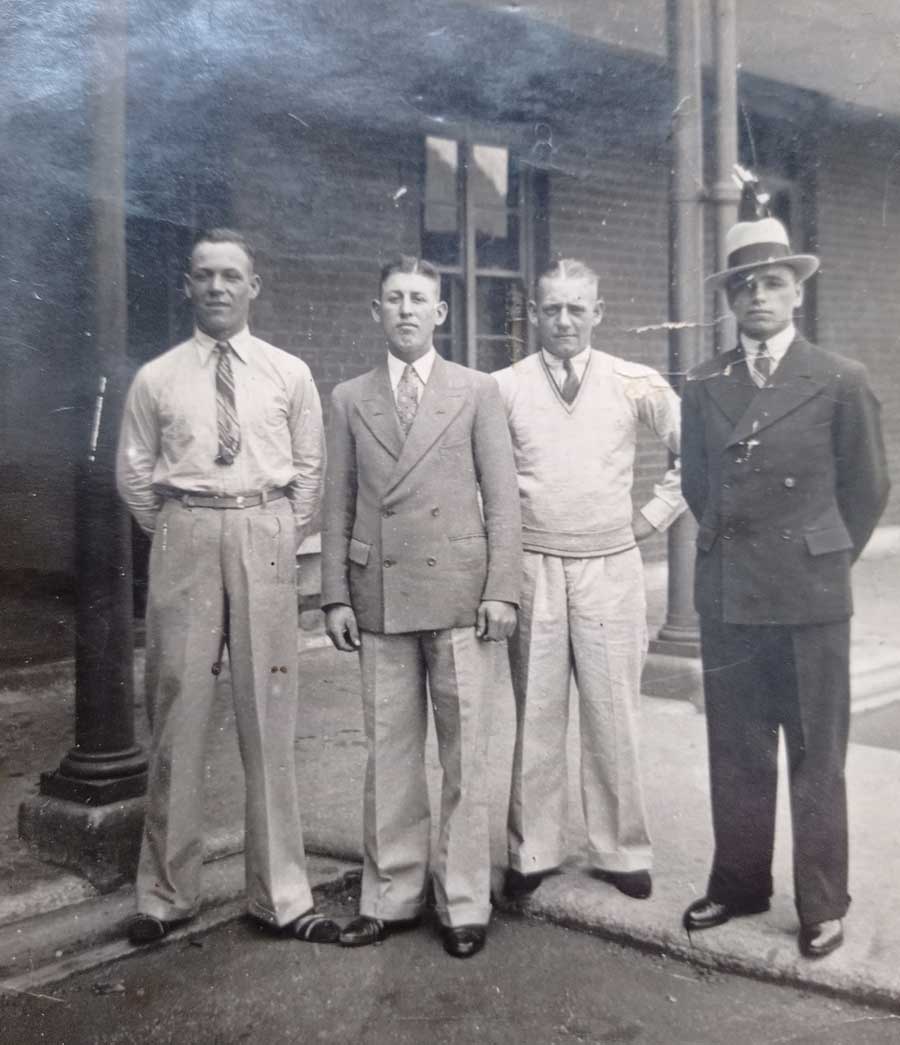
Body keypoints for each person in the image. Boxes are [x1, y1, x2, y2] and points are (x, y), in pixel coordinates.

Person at [116, 228, 336, 944]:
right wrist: (184, 528)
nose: (217, 287)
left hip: (264, 527)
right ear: (187, 285)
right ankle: (166, 893)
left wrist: (272, 529)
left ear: (254, 286)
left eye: (231, 276)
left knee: (267, 711)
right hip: (186, 530)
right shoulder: (157, 377)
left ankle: (280, 893)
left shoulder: (288, 372)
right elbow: (134, 472)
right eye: (204, 275)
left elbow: (309, 469)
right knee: (178, 704)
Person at [680, 208, 889, 958]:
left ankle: (822, 900)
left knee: (815, 752)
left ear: (795, 293)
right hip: (731, 592)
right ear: (730, 300)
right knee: (735, 747)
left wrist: (820, 551)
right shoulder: (705, 382)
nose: (758, 298)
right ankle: (738, 882)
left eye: (772, 284)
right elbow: (701, 487)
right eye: (744, 287)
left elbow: (867, 489)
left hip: (809, 596)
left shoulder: (840, 377)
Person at [321, 256, 521, 959]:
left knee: (467, 753)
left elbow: (502, 499)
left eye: (420, 299)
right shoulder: (349, 396)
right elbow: (337, 499)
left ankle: (464, 900)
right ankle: (392, 894)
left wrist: (502, 588)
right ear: (376, 310)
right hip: (379, 595)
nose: (406, 310)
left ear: (441, 313)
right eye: (393, 298)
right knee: (391, 750)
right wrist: (334, 594)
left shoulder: (476, 390)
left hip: (462, 595)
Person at [493, 259, 685, 903]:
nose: (565, 320)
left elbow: (699, 450)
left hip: (610, 565)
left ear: (598, 313)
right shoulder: (504, 388)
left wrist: (654, 515)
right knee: (537, 715)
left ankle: (621, 848)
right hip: (535, 567)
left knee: (612, 712)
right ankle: (532, 848)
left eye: (578, 308)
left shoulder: (636, 382)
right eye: (553, 309)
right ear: (535, 314)